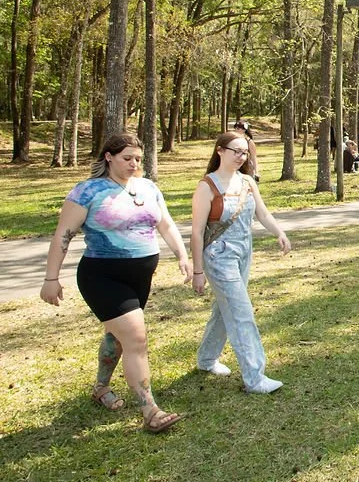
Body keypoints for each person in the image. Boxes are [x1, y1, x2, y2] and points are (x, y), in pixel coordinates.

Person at [39, 133, 191, 433]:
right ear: (108, 156)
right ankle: (150, 410)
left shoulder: (147, 187)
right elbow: (63, 236)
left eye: (138, 159)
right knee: (136, 339)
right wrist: (51, 278)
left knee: (117, 336)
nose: (133, 164)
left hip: (139, 277)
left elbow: (166, 224)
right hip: (102, 277)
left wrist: (183, 256)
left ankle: (100, 388)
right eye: (127, 158)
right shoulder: (87, 191)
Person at [191, 131, 292, 393]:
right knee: (241, 312)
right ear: (220, 151)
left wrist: (279, 233)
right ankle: (255, 378)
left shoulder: (247, 181)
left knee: (226, 307)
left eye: (244, 152)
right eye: (235, 151)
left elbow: (262, 213)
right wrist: (198, 271)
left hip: (244, 251)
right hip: (218, 256)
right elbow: (197, 232)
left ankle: (206, 359)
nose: (241, 157)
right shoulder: (207, 186)